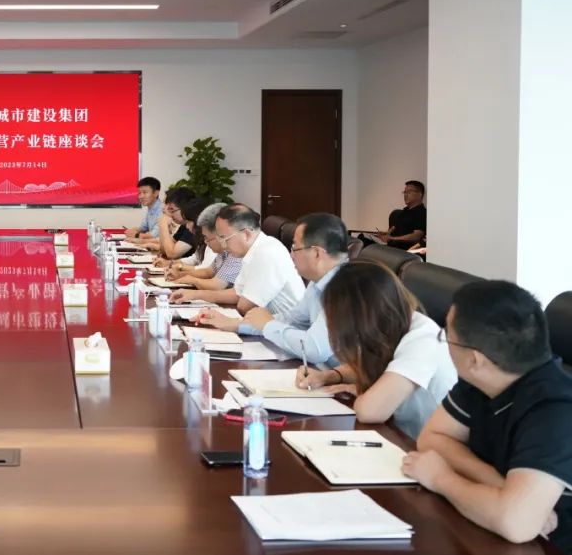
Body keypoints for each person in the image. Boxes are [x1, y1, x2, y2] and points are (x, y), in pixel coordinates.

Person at [402, 281, 572, 549]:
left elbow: (516, 523)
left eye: (447, 335)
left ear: (475, 359)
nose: (445, 343)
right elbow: (432, 438)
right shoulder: (483, 378)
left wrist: (440, 478)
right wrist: (500, 486)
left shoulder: (556, 410)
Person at [294, 260, 456, 438]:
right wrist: (329, 376)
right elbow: (370, 363)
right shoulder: (390, 325)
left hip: (423, 444)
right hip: (397, 433)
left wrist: (365, 393)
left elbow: (370, 412)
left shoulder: (424, 339)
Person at [229, 212, 349, 363]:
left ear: (316, 253)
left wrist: (268, 325)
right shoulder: (318, 282)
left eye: (295, 248)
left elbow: (314, 349)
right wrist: (239, 325)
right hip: (318, 371)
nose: (291, 255)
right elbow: (294, 320)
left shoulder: (346, 288)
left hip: (336, 375)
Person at [178, 203, 303, 318]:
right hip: (268, 325)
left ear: (246, 234)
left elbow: (245, 306)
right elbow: (237, 293)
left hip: (285, 330)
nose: (223, 245)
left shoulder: (266, 253)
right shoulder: (252, 251)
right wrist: (195, 295)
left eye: (224, 238)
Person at [164, 202, 244, 296]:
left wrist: (193, 280)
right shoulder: (223, 251)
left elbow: (217, 285)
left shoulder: (236, 252)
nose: (205, 242)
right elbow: (207, 272)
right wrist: (180, 275)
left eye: (207, 238)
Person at [371, 180, 427, 250]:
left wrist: (392, 238)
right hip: (390, 244)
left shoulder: (421, 212)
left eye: (409, 192)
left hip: (402, 249)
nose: (405, 195)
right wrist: (385, 234)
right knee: (363, 238)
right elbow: (393, 228)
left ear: (420, 194)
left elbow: (416, 236)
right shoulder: (404, 211)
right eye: (404, 192)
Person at [151, 187, 197, 258]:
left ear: (184, 208)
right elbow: (164, 250)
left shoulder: (192, 227)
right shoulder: (184, 225)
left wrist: (163, 225)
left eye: (171, 209)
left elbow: (171, 254)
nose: (164, 208)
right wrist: (164, 227)